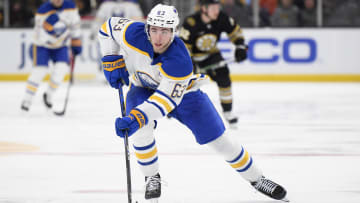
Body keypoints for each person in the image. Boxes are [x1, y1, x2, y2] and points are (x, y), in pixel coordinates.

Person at [98, 3, 288, 202]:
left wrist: (137, 117)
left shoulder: (180, 60)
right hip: (143, 88)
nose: (158, 38)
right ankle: (151, 176)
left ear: (174, 31)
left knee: (220, 141)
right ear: (147, 28)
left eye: (165, 31)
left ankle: (257, 179)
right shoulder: (133, 33)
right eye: (154, 30)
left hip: (182, 95)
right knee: (140, 130)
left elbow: (164, 101)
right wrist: (111, 57)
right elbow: (108, 28)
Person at [179, 0, 248, 129]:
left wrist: (240, 46)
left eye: (218, 7)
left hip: (212, 55)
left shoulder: (221, 18)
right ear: (204, 9)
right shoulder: (191, 23)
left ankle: (228, 111)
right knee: (184, 84)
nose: (217, 11)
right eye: (213, 8)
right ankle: (175, 106)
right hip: (192, 58)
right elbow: (183, 47)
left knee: (224, 77)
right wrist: (189, 63)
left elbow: (235, 31)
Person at [20, 0, 82, 112]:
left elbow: (75, 25)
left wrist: (76, 41)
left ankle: (48, 95)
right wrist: (51, 29)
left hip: (61, 46)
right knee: (40, 70)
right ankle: (27, 100)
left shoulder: (71, 6)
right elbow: (40, 34)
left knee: (61, 70)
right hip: (41, 45)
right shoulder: (43, 11)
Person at [90, 0, 144, 82]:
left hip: (116, 39)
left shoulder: (107, 5)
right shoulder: (131, 6)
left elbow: (98, 22)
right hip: (123, 39)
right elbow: (140, 24)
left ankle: (110, 74)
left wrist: (95, 33)